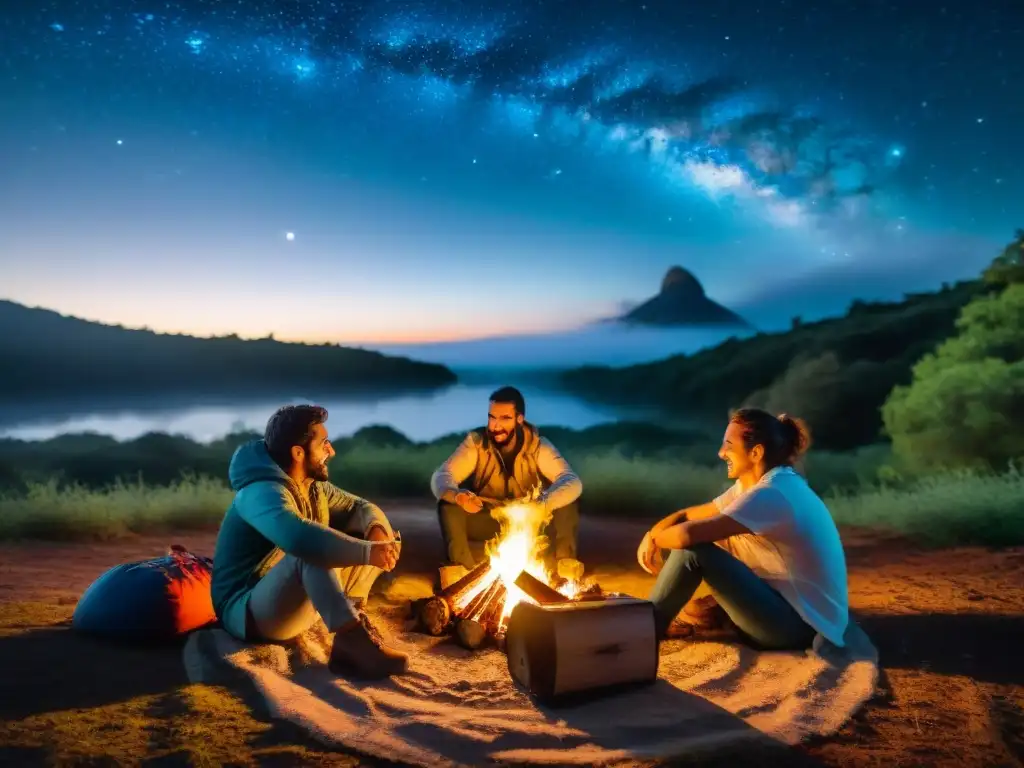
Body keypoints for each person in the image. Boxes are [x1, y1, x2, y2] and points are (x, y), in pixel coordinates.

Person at [211, 404, 408, 680]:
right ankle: (351, 640)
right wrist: (367, 553)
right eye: (324, 443)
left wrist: (376, 534)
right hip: (250, 614)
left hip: (293, 599)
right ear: (298, 452)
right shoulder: (260, 493)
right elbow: (299, 539)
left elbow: (360, 507)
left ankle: (353, 621)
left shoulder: (312, 486)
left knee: (367, 533)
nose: (331, 451)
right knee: (310, 552)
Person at [637, 408, 849, 650]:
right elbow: (686, 516)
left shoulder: (770, 494)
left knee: (693, 552)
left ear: (756, 452)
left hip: (798, 628)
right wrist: (652, 534)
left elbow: (686, 535)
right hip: (800, 614)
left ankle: (642, 629)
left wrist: (655, 541)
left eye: (728, 445)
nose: (721, 453)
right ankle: (705, 617)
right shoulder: (760, 485)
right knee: (700, 566)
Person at [430, 386, 584, 578]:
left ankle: (566, 572)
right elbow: (442, 475)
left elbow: (572, 481)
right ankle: (461, 574)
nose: (495, 426)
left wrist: (543, 505)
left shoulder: (538, 446)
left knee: (567, 500)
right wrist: (458, 496)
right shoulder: (476, 443)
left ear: (519, 419)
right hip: (489, 520)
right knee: (448, 504)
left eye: (505, 418)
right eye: (492, 418)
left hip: (531, 521)